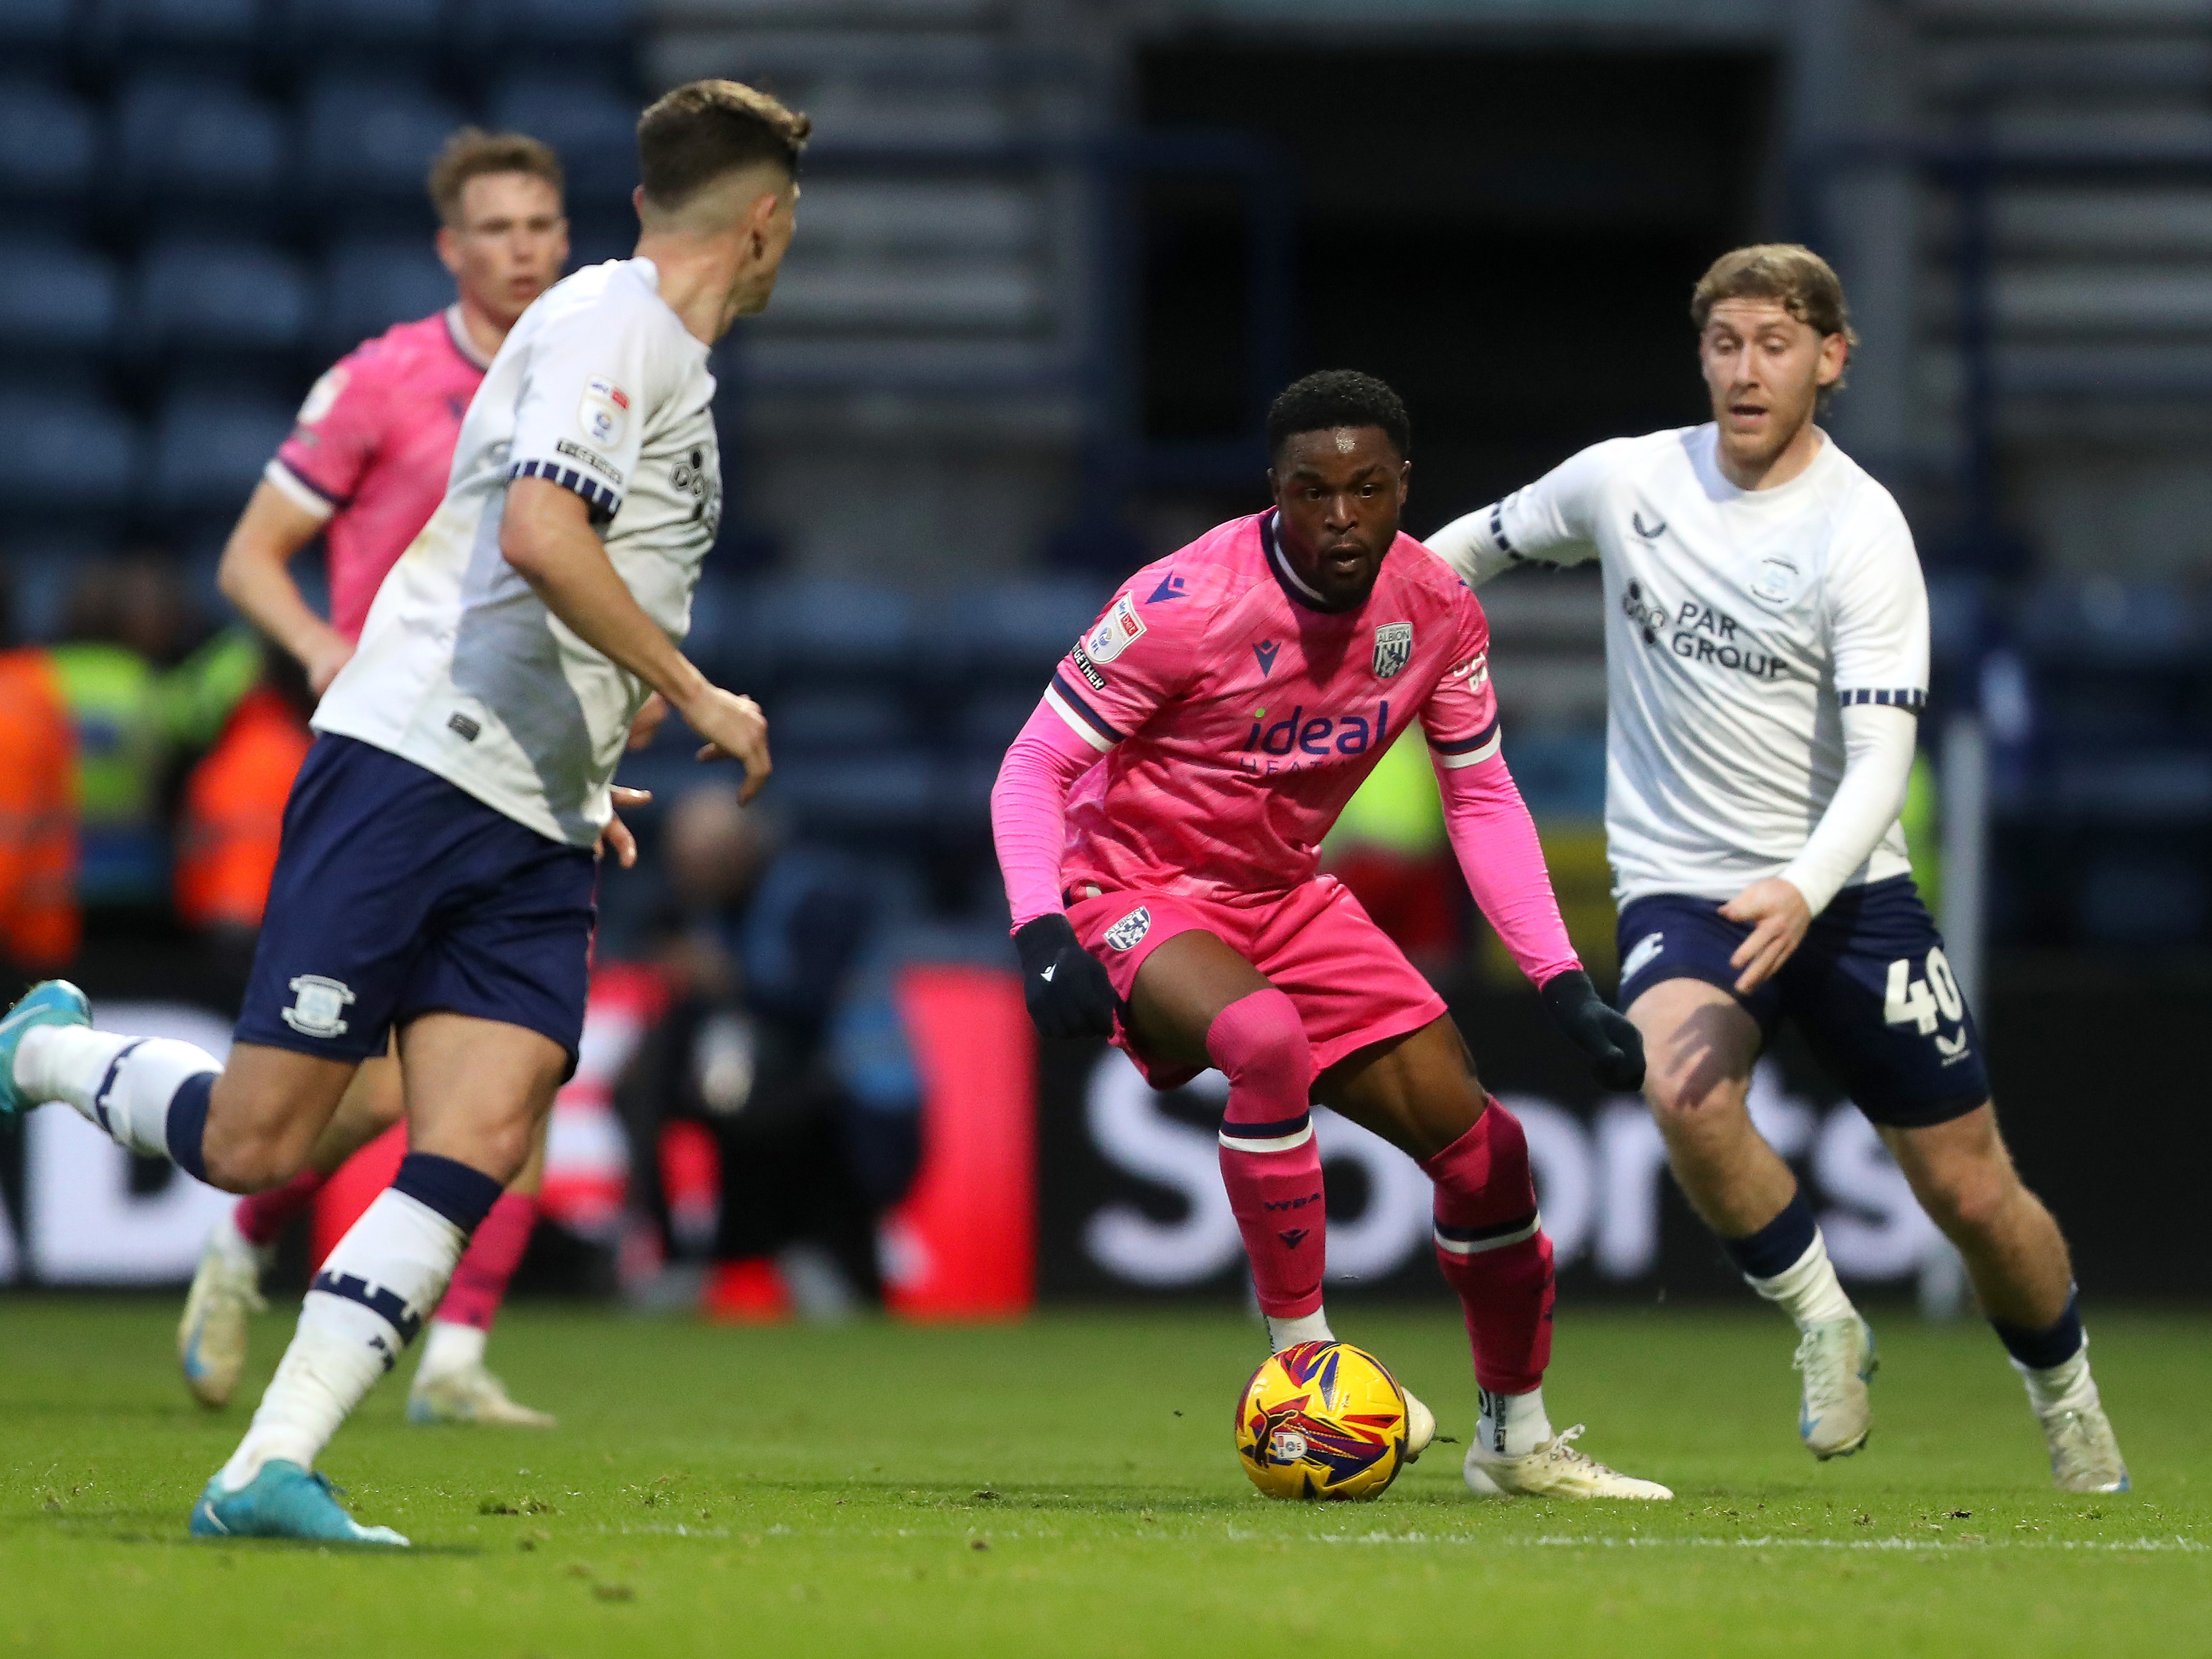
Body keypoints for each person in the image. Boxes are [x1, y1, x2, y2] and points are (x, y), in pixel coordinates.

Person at [0, 77, 802, 1544]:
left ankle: (269, 1467)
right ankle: (47, 1050)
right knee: (260, 1145)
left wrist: (589, 746)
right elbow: (538, 532)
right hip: (415, 763)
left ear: (634, 203)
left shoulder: (666, 358)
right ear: (767, 223)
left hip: (534, 804)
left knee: (486, 1126)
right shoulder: (615, 325)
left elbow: (560, 575)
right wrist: (692, 691)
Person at [1424, 244, 2127, 1493]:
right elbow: (1461, 552)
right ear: (1702, 356)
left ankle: (2066, 1392)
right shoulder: (1626, 479)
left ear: (1832, 359)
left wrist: (1805, 887)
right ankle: (1824, 1321)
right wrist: (1352, 622)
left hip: (1847, 895)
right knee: (1683, 1091)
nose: (1749, 371)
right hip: (1682, 887)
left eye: (1778, 344)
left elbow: (1880, 760)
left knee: (1971, 1193)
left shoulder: (1862, 532)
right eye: (1727, 344)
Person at [994, 369, 1670, 1501]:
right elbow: (1033, 767)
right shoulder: (1184, 601)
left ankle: (1516, 1440)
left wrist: (1560, 978)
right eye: (1314, 491)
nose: (1342, 516)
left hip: (1285, 892)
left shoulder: (1439, 612)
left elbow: (1483, 797)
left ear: (1406, 487)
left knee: (1490, 1155)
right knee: (1262, 1041)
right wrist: (1040, 930)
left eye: (1367, 488)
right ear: (1277, 492)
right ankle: (1303, 1363)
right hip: (1135, 882)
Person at [175, 127, 578, 1430]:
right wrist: (313, 646)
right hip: (391, 759)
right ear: (451, 249)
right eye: (498, 229)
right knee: (372, 1084)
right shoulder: (384, 380)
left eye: (542, 225)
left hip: (526, 769)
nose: (524, 248)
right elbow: (251, 554)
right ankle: (244, 1242)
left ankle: (453, 1359)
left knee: (514, 1077)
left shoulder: (592, 383)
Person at [615, 785, 921, 1313]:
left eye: (705, 862)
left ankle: (807, 1252)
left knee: (763, 1096)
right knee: (643, 1083)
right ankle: (675, 1255)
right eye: (684, 863)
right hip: (770, 1088)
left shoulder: (819, 897)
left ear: (744, 849)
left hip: (861, 1104)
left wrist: (725, 978)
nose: (691, 878)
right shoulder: (707, 910)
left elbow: (811, 1006)